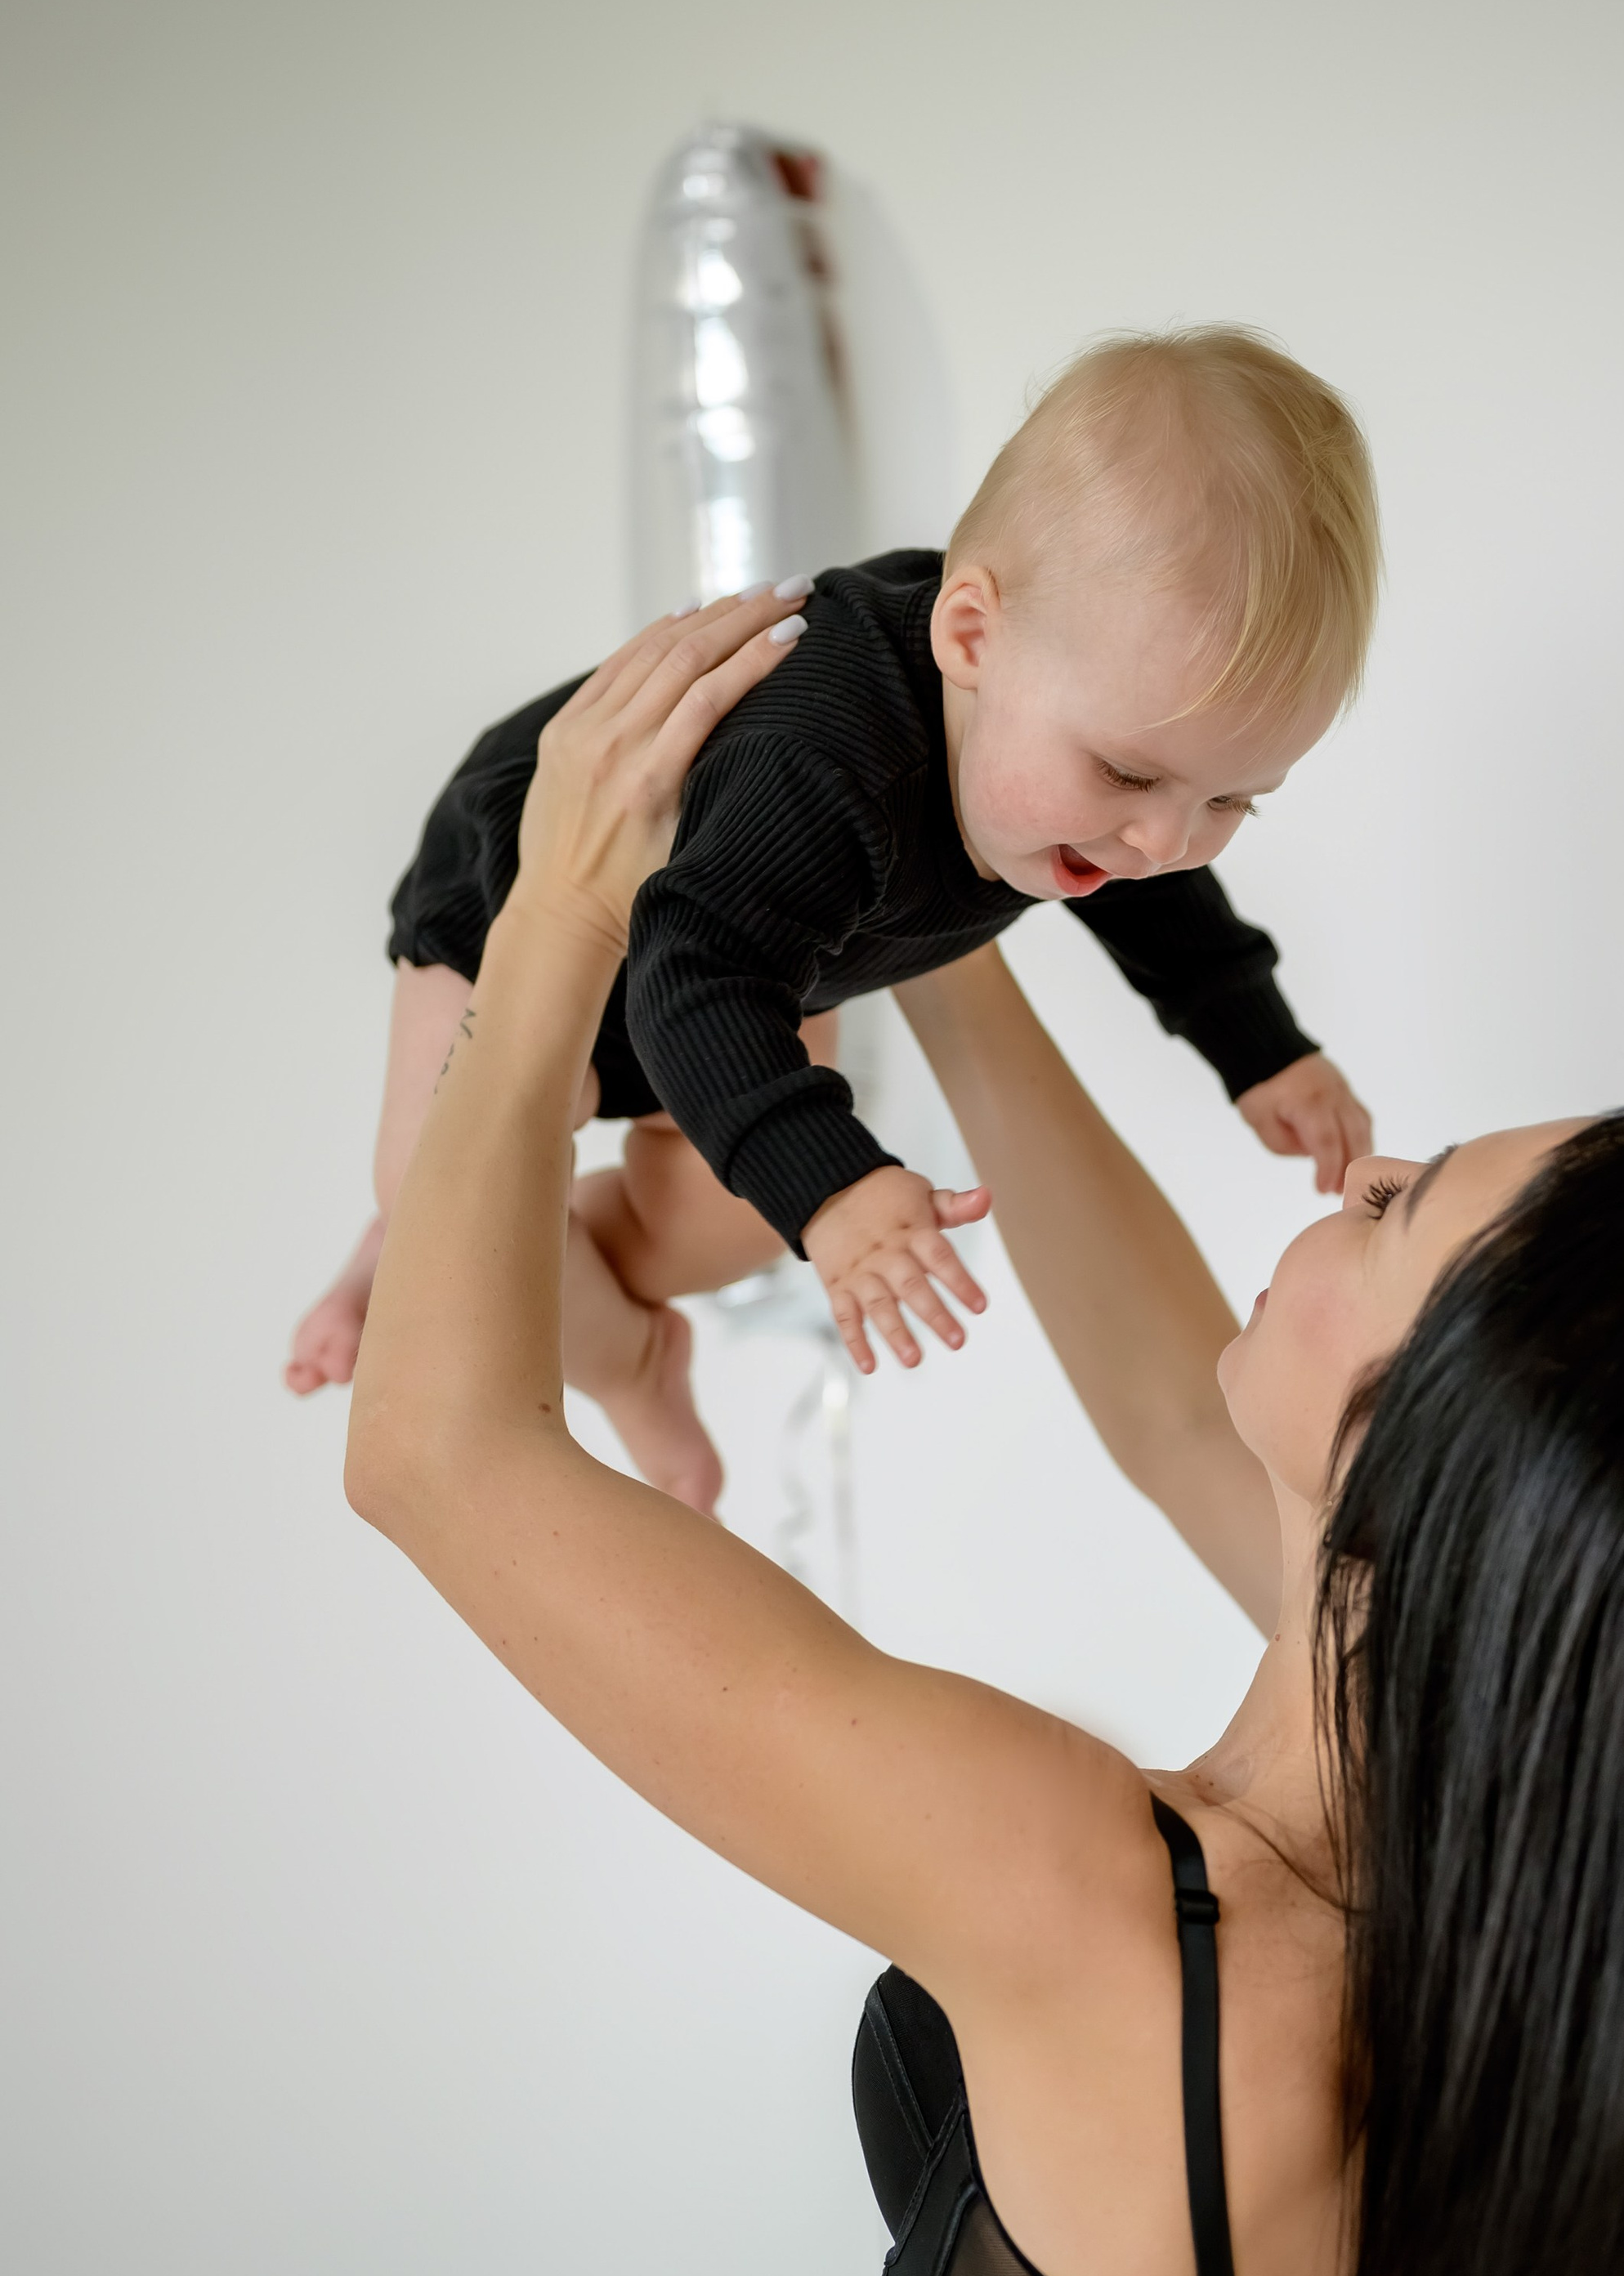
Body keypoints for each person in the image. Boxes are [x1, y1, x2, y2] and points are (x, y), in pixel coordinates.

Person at [346, 610, 1624, 2276]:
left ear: (1421, 1464)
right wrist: (961, 869)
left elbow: (434, 1450)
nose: (1346, 1179)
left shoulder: (1105, 1911)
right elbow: (1151, 1385)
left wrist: (559, 915)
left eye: (1396, 1205)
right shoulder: (1510, 1889)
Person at [292, 327, 1380, 1513]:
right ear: (970, 635)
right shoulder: (825, 767)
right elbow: (692, 976)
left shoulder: (1090, 755)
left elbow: (1162, 902)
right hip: (530, 905)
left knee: (715, 1226)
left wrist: (1262, 1048)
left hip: (751, 966)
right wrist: (835, 1192)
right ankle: (621, 1358)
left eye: (1230, 801)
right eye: (1128, 775)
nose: (1166, 840)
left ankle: (474, 1263)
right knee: (447, 1193)